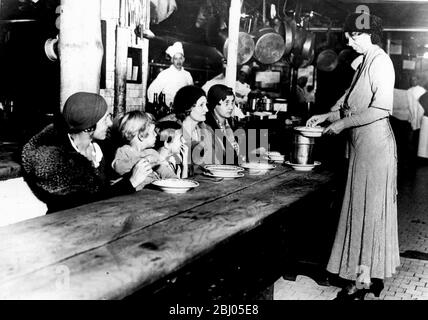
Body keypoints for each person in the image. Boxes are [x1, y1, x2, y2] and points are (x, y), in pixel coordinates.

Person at [306, 13, 399, 300]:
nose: (348, 40)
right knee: (362, 211)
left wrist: (341, 124)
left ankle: (360, 282)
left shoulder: (380, 61)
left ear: (369, 34)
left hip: (374, 148)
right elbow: (351, 104)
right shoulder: (364, 62)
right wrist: (327, 115)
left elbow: (380, 109)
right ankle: (369, 276)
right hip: (362, 146)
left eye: (353, 35)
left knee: (368, 214)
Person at [21, 92, 153, 213]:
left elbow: (104, 191)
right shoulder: (57, 160)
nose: (110, 123)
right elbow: (87, 204)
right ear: (89, 125)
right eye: (106, 118)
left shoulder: (100, 148)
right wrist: (131, 182)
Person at [112, 111, 178, 190]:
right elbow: (119, 167)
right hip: (134, 195)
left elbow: (163, 169)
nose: (156, 134)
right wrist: (145, 160)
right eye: (153, 132)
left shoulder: (152, 152)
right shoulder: (124, 151)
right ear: (141, 135)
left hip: (153, 191)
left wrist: (175, 180)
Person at [205, 84, 244, 165]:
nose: (231, 107)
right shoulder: (208, 127)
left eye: (232, 102)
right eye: (226, 103)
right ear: (214, 104)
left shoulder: (231, 123)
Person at [147, 42, 193, 106]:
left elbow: (192, 92)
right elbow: (152, 91)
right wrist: (156, 106)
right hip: (170, 109)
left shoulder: (187, 75)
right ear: (172, 60)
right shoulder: (165, 74)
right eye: (176, 59)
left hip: (184, 108)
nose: (178, 61)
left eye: (180, 58)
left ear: (183, 60)